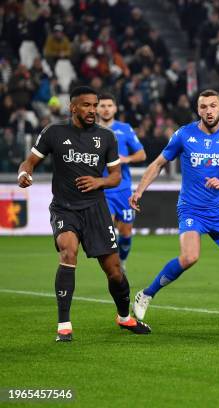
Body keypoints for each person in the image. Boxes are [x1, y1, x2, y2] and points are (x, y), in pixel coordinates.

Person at [130, 89, 219, 327]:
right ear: (198, 110)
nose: (208, 111)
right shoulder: (184, 135)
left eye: (213, 106)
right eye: (204, 106)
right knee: (189, 257)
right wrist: (139, 191)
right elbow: (158, 164)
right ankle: (146, 294)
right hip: (191, 209)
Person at [17, 86, 151, 342]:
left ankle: (124, 317)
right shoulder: (54, 132)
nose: (92, 110)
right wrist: (25, 174)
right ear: (73, 107)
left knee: (114, 271)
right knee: (68, 251)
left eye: (94, 105)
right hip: (65, 207)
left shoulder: (107, 137)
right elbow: (30, 161)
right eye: (87, 105)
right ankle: (64, 325)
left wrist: (98, 182)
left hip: (95, 209)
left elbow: (114, 176)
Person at [97, 93, 146, 273]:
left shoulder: (125, 129)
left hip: (123, 190)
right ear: (96, 108)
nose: (106, 109)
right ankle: (113, 267)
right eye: (102, 105)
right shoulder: (90, 131)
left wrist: (126, 159)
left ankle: (122, 262)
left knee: (125, 233)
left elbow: (142, 155)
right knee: (107, 232)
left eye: (109, 105)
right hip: (102, 189)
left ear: (115, 108)